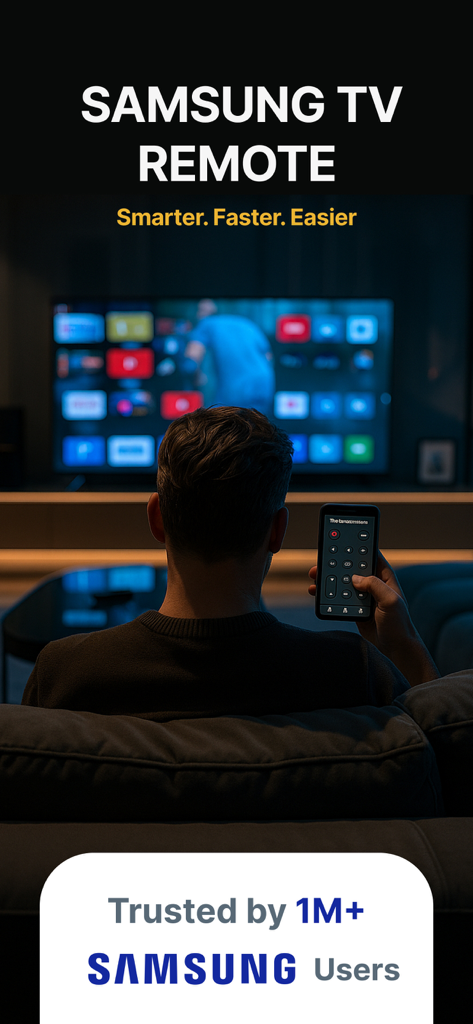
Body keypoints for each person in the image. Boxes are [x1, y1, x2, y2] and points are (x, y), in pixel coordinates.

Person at [22, 407, 439, 721]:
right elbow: (444, 753)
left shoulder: (63, 673)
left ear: (156, 518)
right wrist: (405, 645)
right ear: (278, 531)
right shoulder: (354, 672)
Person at [182, 299, 275, 415]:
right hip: (264, 385)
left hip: (235, 390)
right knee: (257, 428)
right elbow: (268, 357)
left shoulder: (206, 323)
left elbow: (191, 360)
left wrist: (196, 378)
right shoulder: (247, 323)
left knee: (220, 428)